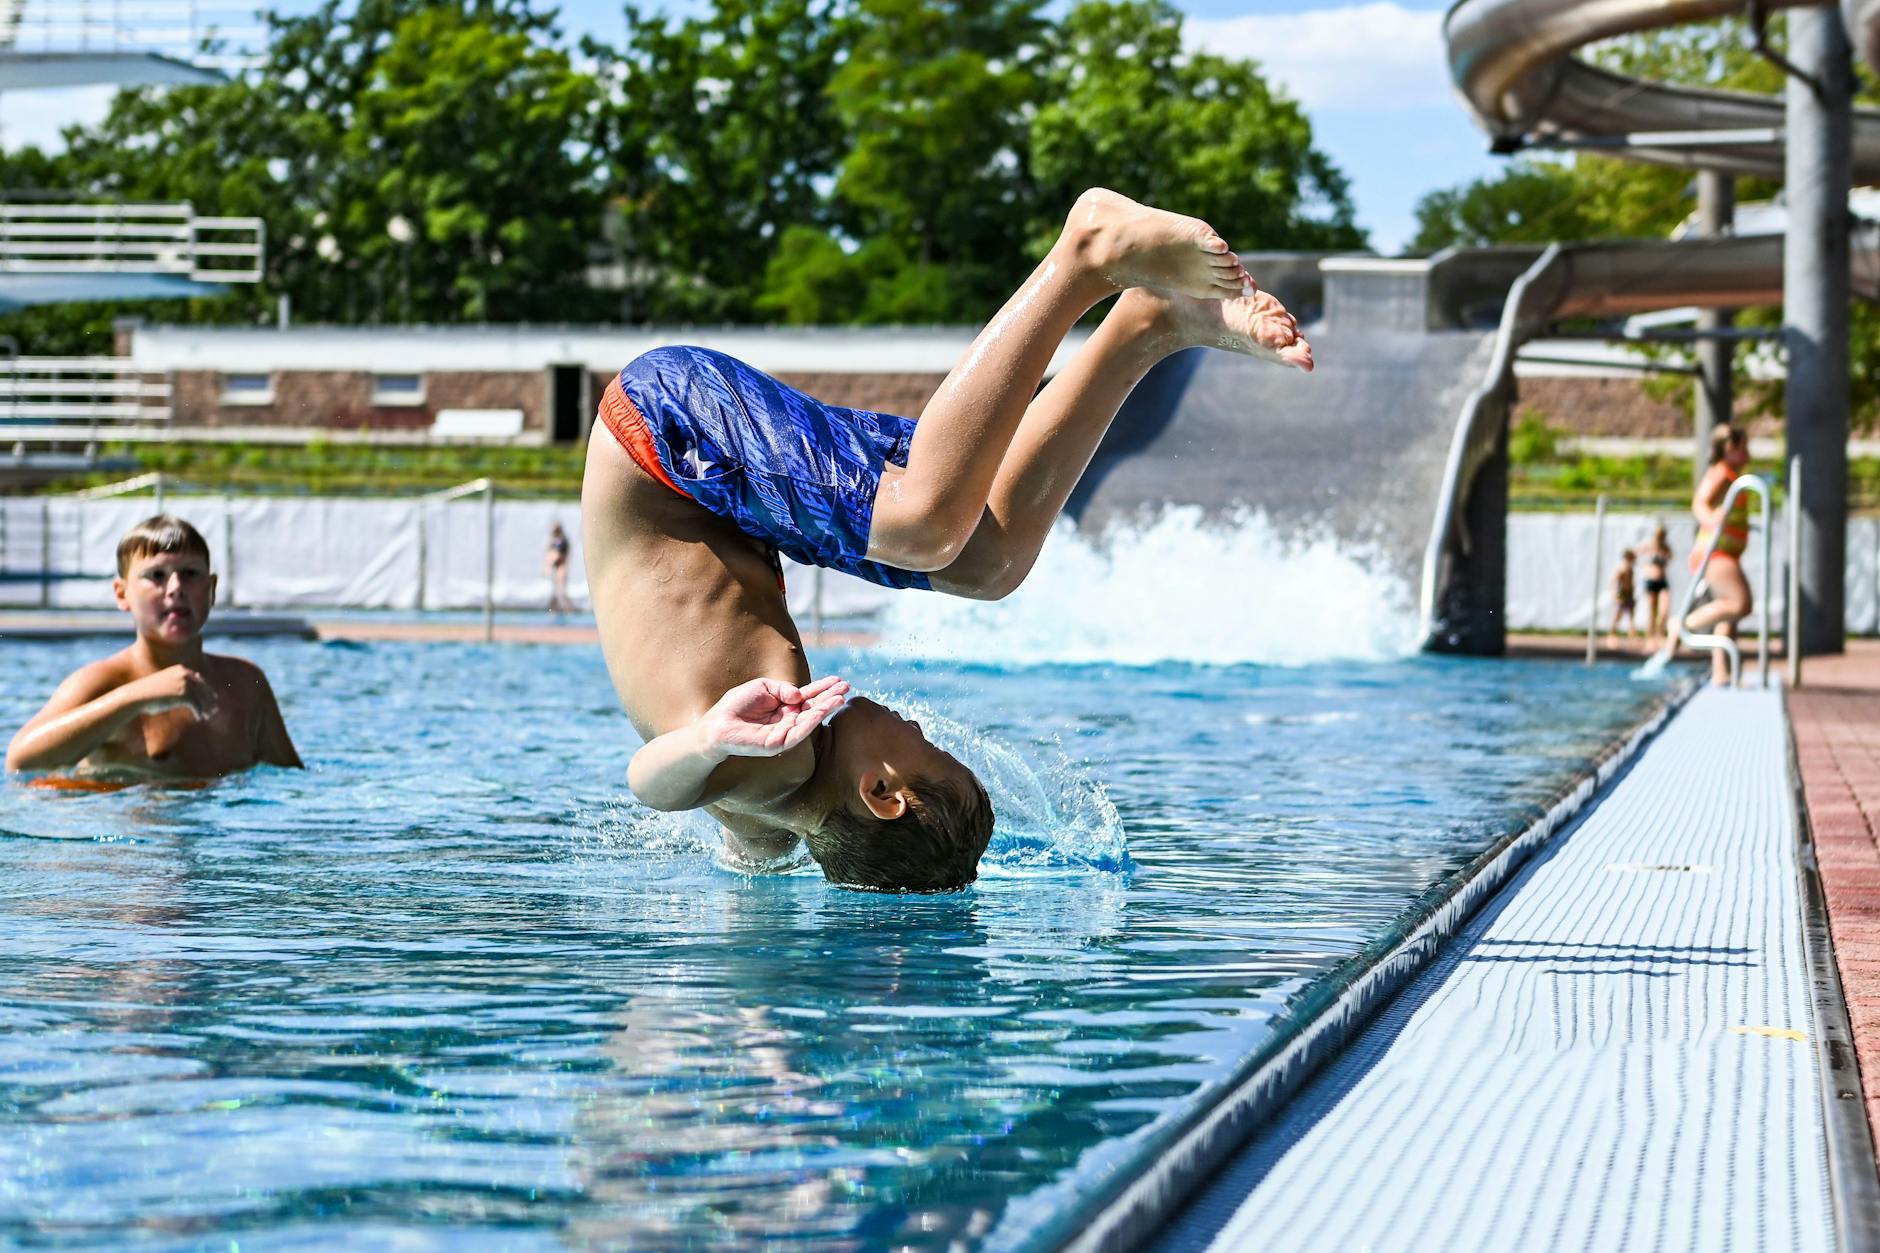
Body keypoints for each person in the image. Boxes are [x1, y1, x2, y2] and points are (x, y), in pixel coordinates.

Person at [581, 188, 1313, 892]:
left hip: (667, 436)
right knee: (989, 560)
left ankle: (1085, 251)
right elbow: (747, 852)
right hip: (729, 495)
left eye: (929, 749)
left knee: (924, 524)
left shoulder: (776, 763)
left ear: (882, 793)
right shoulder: (774, 819)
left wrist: (708, 739)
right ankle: (1149, 323)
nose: (917, 725)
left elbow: (651, 781)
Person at [5, 515, 302, 779]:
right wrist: (139, 696)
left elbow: (291, 782)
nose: (176, 588)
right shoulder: (103, 682)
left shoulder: (245, 684)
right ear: (122, 594)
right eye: (156, 576)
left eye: (190, 574)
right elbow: (21, 760)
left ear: (211, 590)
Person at [1684, 424, 1754, 684]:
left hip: (1726, 554)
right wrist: (1712, 517)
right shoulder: (1722, 474)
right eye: (1744, 447)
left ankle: (1722, 671)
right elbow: (1699, 503)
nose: (1749, 452)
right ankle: (1685, 623)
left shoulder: (1732, 476)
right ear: (1730, 449)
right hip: (1716, 553)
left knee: (1731, 614)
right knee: (1740, 603)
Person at [1641, 524, 1673, 648]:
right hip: (1651, 581)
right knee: (1651, 611)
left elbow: (1671, 556)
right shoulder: (1650, 546)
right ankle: (1650, 637)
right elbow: (1636, 552)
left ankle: (1660, 634)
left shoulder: (1665, 548)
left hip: (1662, 581)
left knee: (1664, 609)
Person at [1606, 548, 1638, 648]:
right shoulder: (1621, 570)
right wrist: (1614, 593)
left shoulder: (1631, 570)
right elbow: (1613, 582)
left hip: (1629, 594)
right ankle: (1611, 636)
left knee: (1631, 618)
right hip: (1622, 595)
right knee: (1617, 617)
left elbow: (1631, 583)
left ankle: (1632, 638)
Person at [546, 521, 574, 616]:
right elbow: (550, 553)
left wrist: (552, 561)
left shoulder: (561, 540)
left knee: (562, 591)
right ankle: (556, 610)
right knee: (556, 591)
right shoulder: (554, 540)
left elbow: (560, 555)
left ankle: (568, 610)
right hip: (556, 567)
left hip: (561, 567)